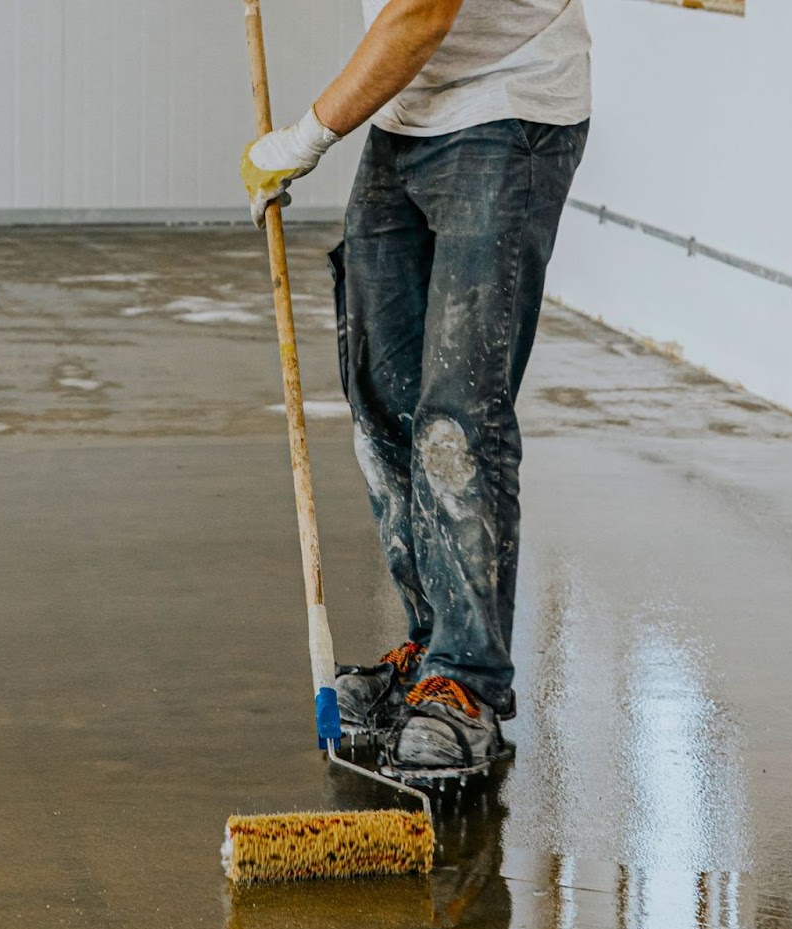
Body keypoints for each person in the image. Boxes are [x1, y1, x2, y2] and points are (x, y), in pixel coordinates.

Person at [241, 0, 589, 773]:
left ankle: (467, 682)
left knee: (457, 422)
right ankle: (433, 647)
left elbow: (422, 14)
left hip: (510, 110)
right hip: (409, 114)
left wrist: (301, 139)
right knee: (383, 404)